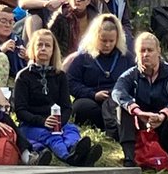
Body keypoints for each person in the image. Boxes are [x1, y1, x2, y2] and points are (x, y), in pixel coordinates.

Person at [12, 28, 102, 166]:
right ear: (33, 49)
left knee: (71, 130)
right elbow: (20, 110)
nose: (43, 48)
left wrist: (60, 122)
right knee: (53, 136)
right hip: (32, 124)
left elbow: (66, 106)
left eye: (47, 45)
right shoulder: (24, 77)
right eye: (39, 45)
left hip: (57, 122)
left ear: (53, 50)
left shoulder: (60, 76)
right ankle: (68, 157)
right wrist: (43, 121)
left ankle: (76, 150)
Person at [113, 32, 168, 174]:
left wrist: (164, 114)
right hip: (141, 129)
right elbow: (117, 92)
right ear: (136, 54)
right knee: (123, 107)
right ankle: (129, 160)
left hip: (165, 127)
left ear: (159, 51)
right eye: (142, 50)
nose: (146, 54)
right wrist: (137, 111)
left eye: (150, 50)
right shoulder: (130, 75)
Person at [65, 13, 133, 137]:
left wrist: (117, 94)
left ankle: (115, 126)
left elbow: (134, 81)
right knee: (81, 108)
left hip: (117, 99)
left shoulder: (126, 57)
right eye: (103, 41)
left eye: (111, 41)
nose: (107, 45)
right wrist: (93, 94)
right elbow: (71, 82)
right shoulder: (84, 57)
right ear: (96, 37)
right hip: (92, 98)